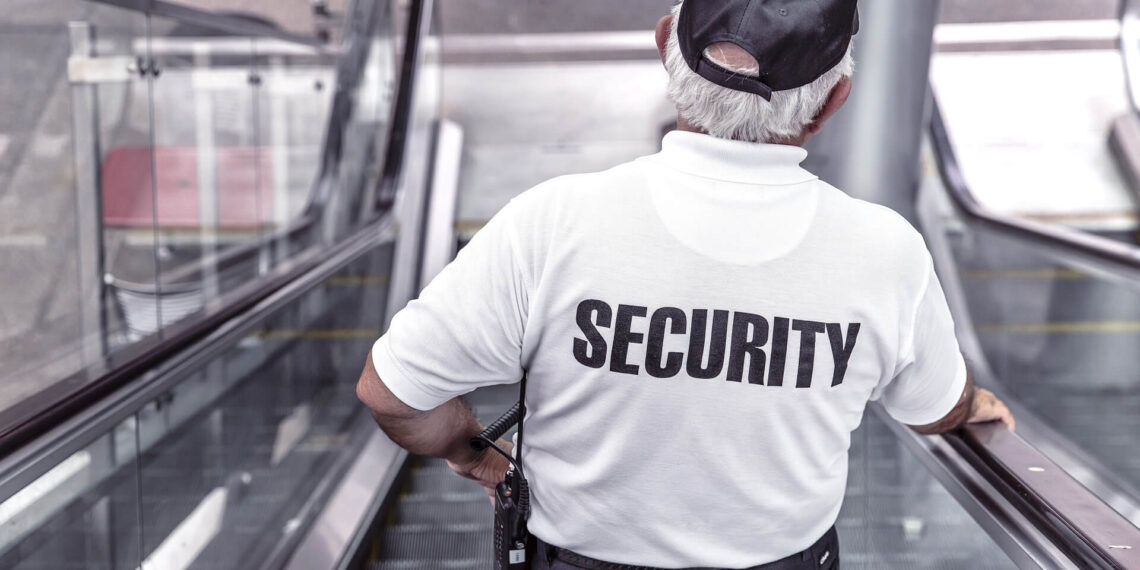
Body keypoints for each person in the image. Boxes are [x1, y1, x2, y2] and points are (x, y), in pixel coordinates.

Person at [356, 0, 1015, 568]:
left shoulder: (553, 222)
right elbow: (934, 408)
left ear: (665, 43)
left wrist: (476, 454)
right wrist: (971, 404)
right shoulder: (885, 252)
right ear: (831, 103)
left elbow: (392, 393)